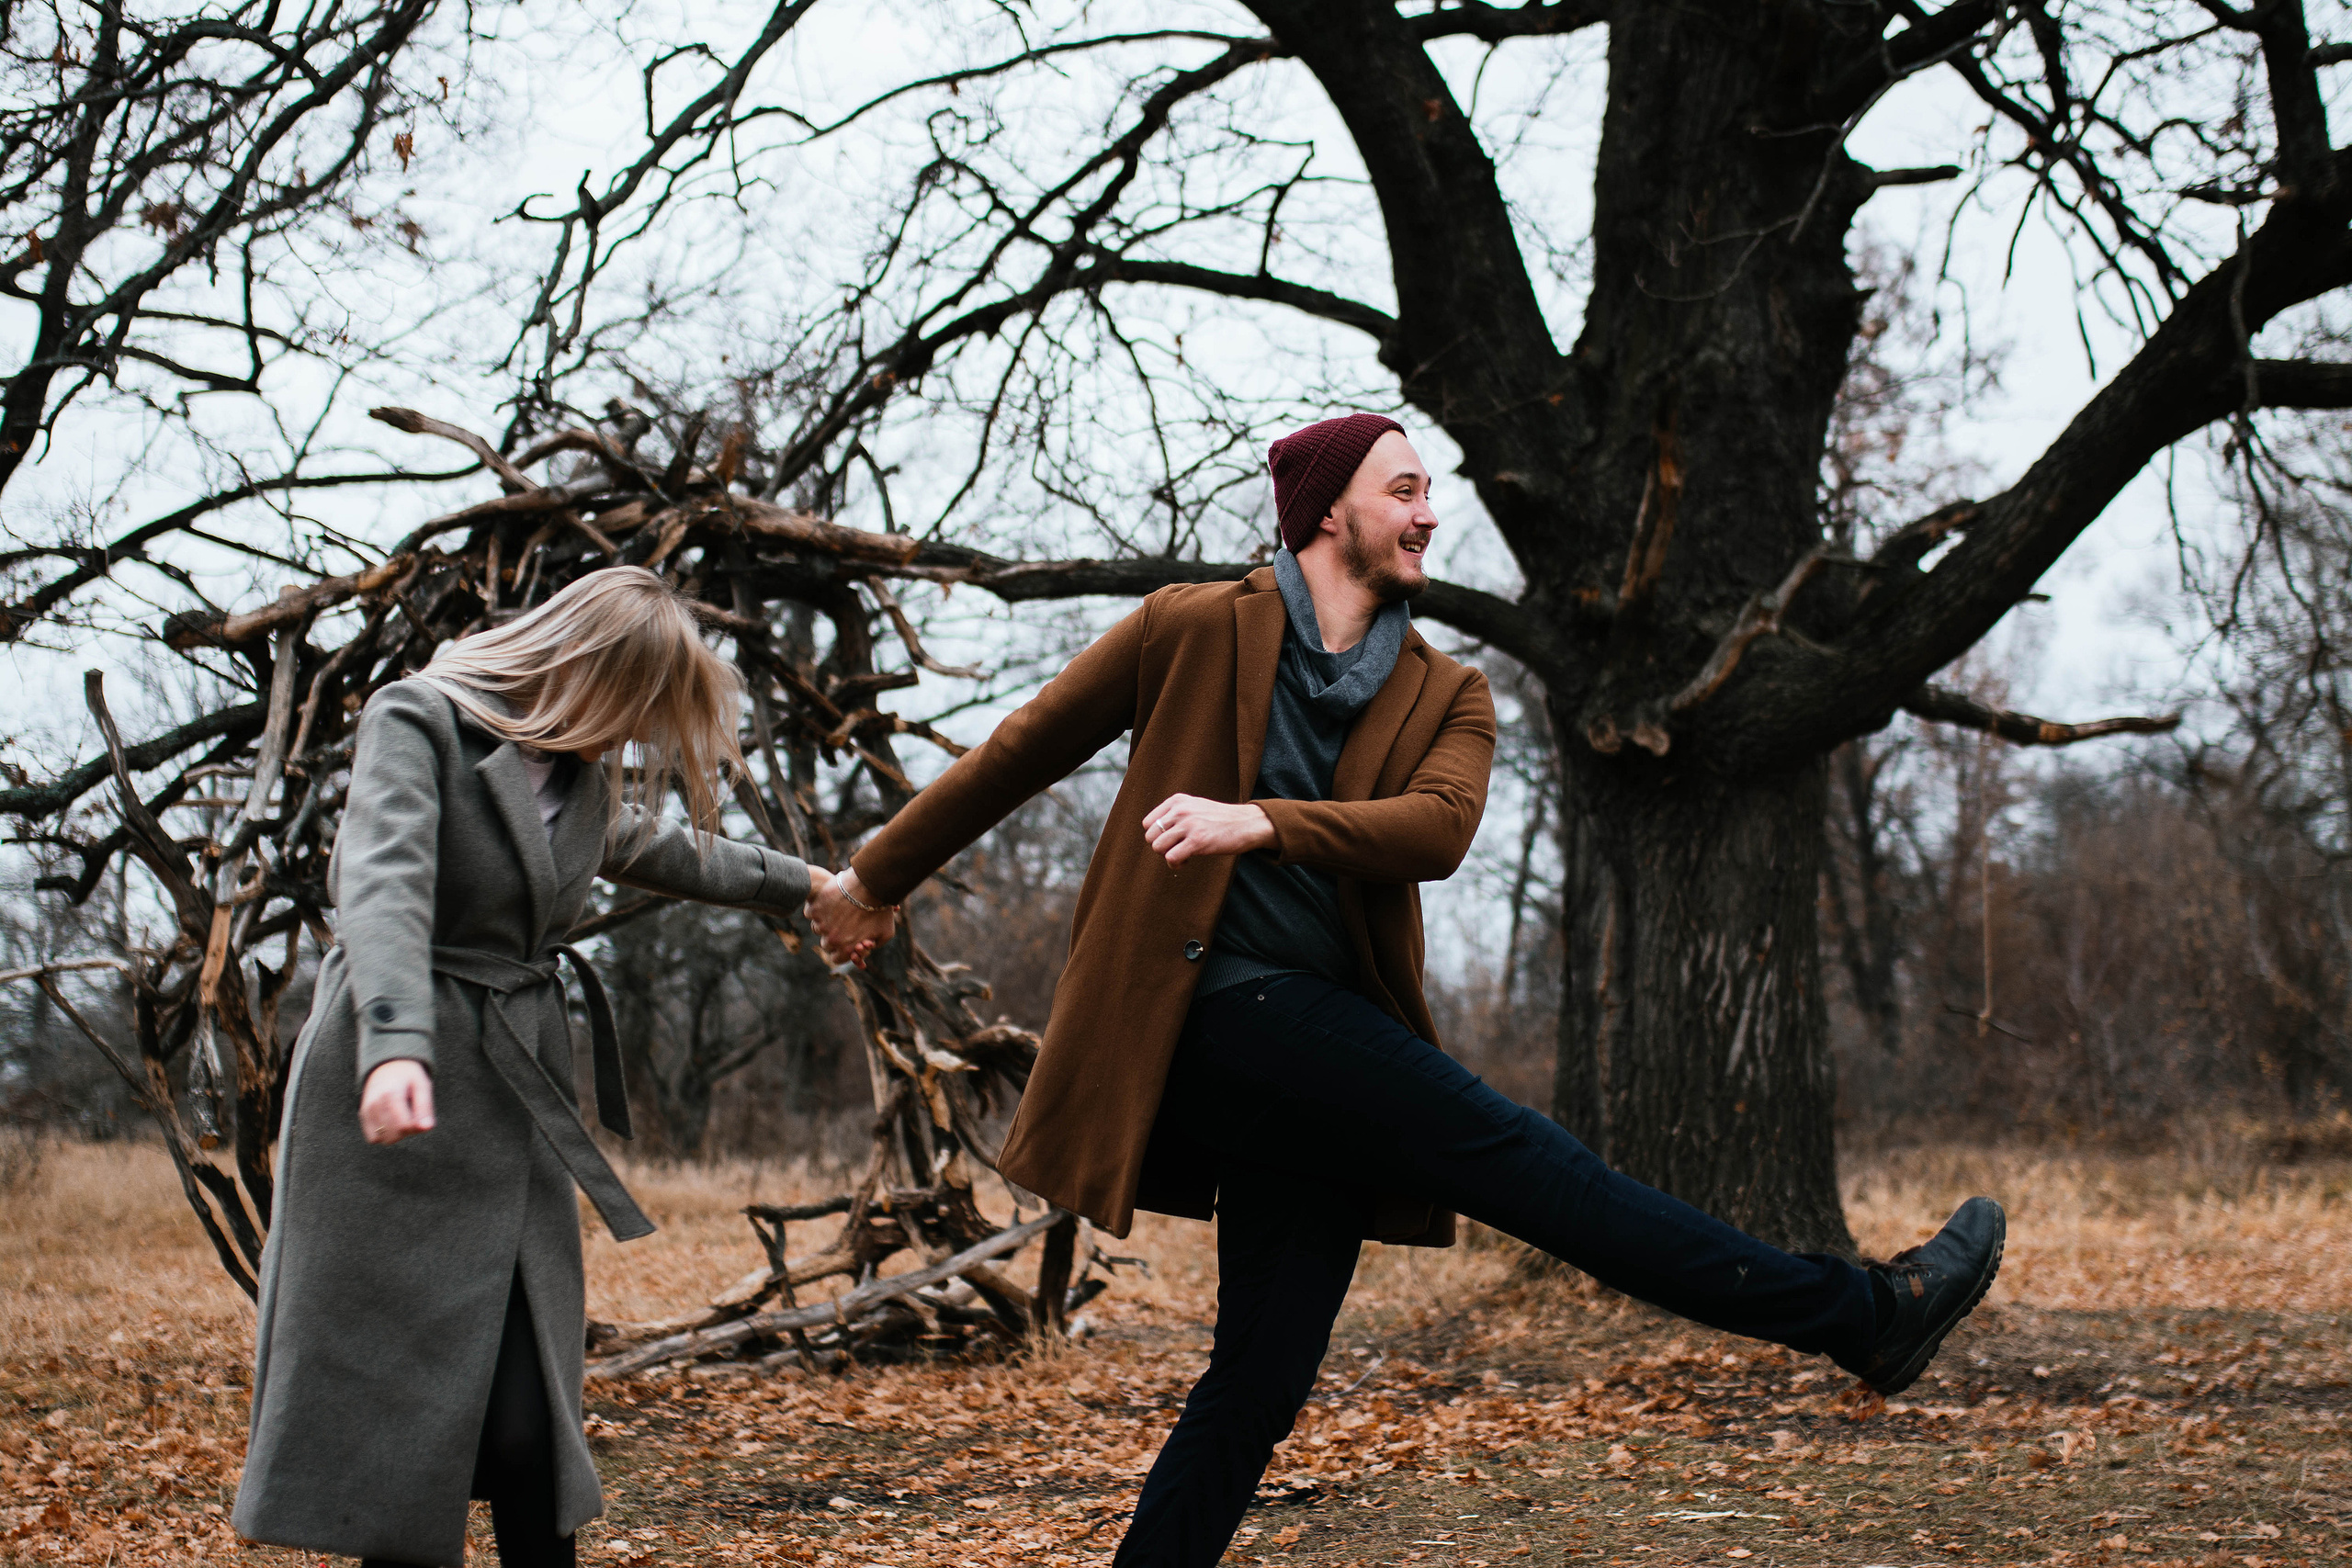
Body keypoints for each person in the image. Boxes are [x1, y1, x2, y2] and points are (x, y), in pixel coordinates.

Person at [808, 412, 2006, 1568]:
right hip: (1213, 1019)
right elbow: (1022, 746)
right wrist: (873, 874)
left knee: (1258, 1383)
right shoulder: (1187, 628)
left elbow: (1436, 830)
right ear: (1328, 509)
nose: (1431, 512)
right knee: (1542, 1170)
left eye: (1430, 492)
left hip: (1321, 1053)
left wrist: (1262, 820)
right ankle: (1861, 1310)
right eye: (1406, 489)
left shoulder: (1449, 692)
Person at [232, 567, 828, 1568]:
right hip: (393, 1098)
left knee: (525, 1429)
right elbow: (382, 886)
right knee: (399, 1426)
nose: (637, 739)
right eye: (637, 709)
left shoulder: (579, 774)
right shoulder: (418, 719)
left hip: (511, 1104)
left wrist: (811, 886)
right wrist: (393, 1048)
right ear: (595, 673)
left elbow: (667, 848)